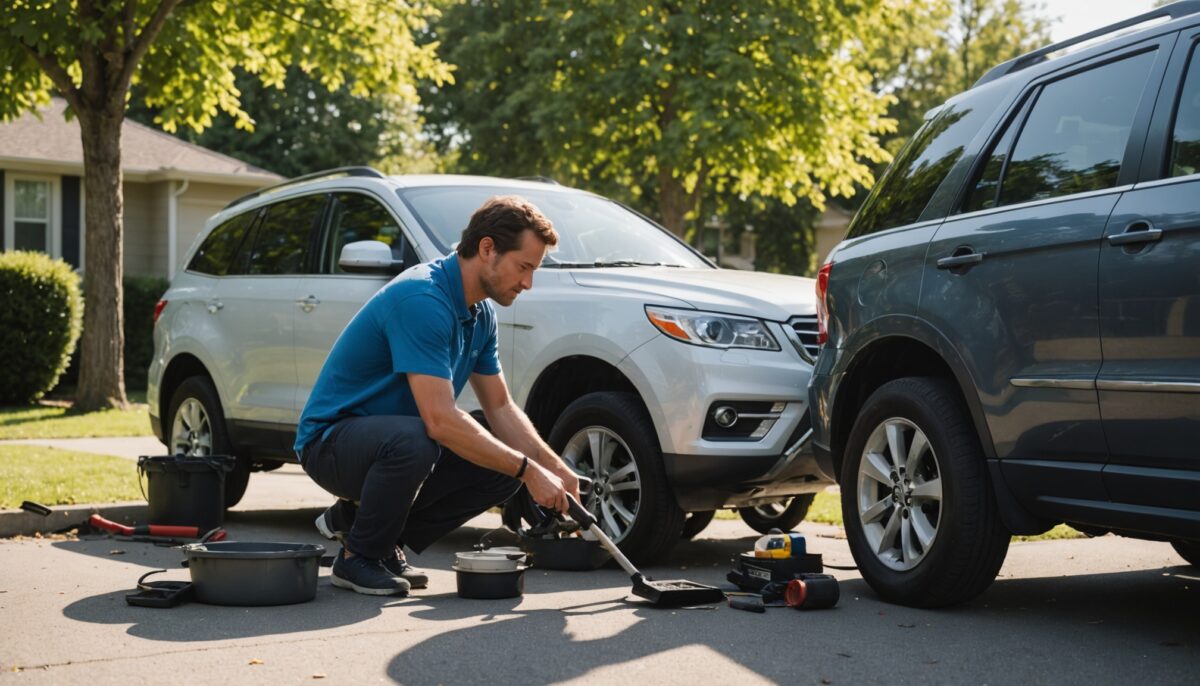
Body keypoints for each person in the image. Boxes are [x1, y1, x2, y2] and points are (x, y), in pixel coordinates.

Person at [294, 195, 580, 596]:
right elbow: (440, 420)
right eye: (524, 267)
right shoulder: (423, 300)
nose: (527, 283)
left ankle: (372, 535)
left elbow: (499, 406)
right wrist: (529, 471)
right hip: (331, 443)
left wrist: (553, 468)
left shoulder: (481, 314)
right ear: (487, 249)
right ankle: (359, 557)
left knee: (500, 462)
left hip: (395, 442)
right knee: (418, 441)